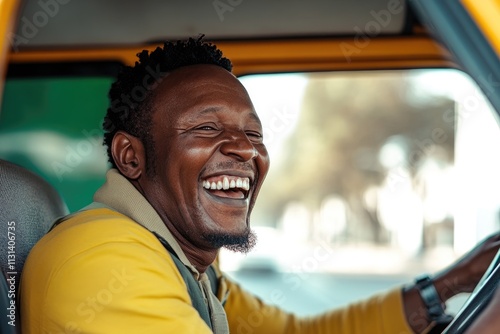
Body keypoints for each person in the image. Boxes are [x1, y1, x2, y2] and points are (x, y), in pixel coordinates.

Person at [19, 37, 500, 334]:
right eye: (206, 128)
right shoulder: (105, 259)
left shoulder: (189, 267)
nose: (245, 150)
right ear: (132, 157)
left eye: (253, 133)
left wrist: (451, 283)